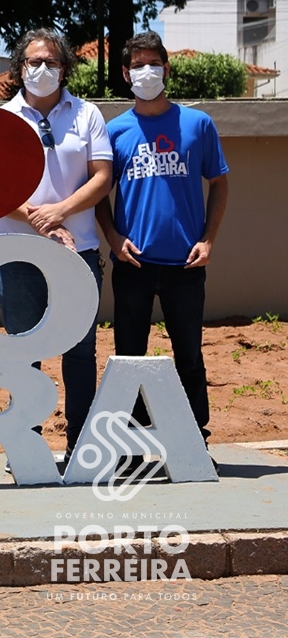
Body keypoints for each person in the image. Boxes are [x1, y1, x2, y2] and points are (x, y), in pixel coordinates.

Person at [0, 28, 113, 459]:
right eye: (34, 61)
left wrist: (60, 212)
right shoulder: (0, 120)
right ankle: (25, 449)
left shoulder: (87, 114)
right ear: (19, 69)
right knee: (22, 353)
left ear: (64, 69)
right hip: (15, 253)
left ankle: (81, 447)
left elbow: (102, 177)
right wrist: (40, 220)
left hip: (78, 251)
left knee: (80, 351)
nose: (42, 69)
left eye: (51, 62)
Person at [96, 31, 229, 447]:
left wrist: (208, 240)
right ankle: (132, 445)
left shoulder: (197, 124)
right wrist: (113, 239)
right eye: (137, 65)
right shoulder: (114, 131)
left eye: (153, 63)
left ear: (167, 69)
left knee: (189, 356)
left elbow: (219, 183)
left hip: (186, 264)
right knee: (129, 358)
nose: (146, 72)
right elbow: (98, 192)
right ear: (125, 73)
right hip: (133, 264)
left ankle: (194, 440)